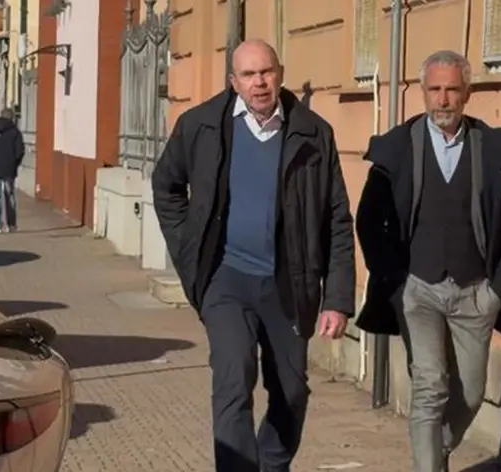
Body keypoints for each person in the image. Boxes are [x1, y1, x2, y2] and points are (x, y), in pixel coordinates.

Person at [151, 39, 355, 472]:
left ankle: (271, 464)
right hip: (225, 279)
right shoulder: (201, 125)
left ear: (280, 74)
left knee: (292, 393)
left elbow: (336, 218)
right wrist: (189, 251)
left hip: (289, 283)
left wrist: (337, 298)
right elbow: (167, 187)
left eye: (266, 72)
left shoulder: (313, 132)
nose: (259, 82)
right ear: (234, 82)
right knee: (234, 377)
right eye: (248, 75)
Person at [355, 50, 501, 472]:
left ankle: (438, 446)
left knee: (471, 393)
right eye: (435, 89)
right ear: (423, 92)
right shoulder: (398, 148)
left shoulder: (491, 151)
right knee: (429, 386)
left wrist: (498, 292)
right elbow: (368, 220)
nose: (443, 100)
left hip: (474, 292)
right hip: (418, 289)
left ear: (467, 93)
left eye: (451, 89)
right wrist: (395, 282)